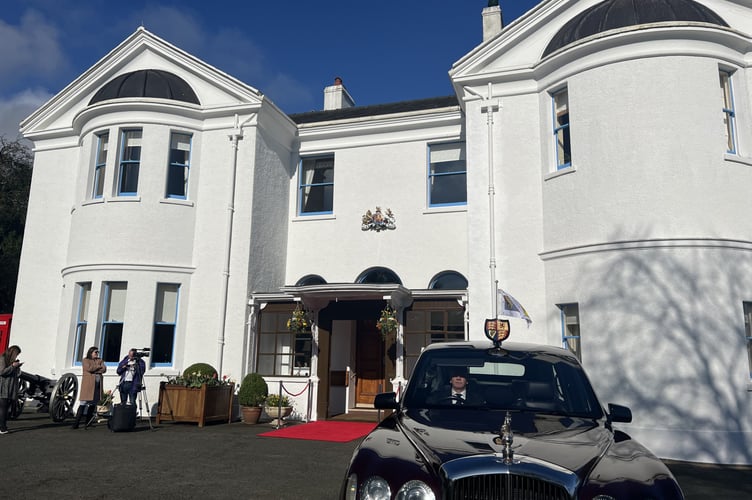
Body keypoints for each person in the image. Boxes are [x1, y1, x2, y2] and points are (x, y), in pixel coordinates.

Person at [73, 346, 106, 429]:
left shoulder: (100, 360)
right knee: (83, 404)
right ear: (91, 352)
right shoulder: (85, 360)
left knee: (93, 405)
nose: (97, 354)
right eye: (95, 352)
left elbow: (104, 369)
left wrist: (97, 368)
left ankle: (88, 423)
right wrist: (98, 367)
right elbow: (89, 368)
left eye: (97, 352)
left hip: (96, 386)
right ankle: (76, 423)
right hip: (88, 386)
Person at [0, 345, 23, 434]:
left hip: (11, 387)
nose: (17, 356)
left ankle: (3, 426)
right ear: (13, 352)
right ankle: (3, 428)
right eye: (16, 354)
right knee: (3, 408)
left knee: (5, 408)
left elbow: (16, 373)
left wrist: (17, 366)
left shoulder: (11, 361)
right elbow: (1, 372)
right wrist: (13, 366)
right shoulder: (2, 359)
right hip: (3, 386)